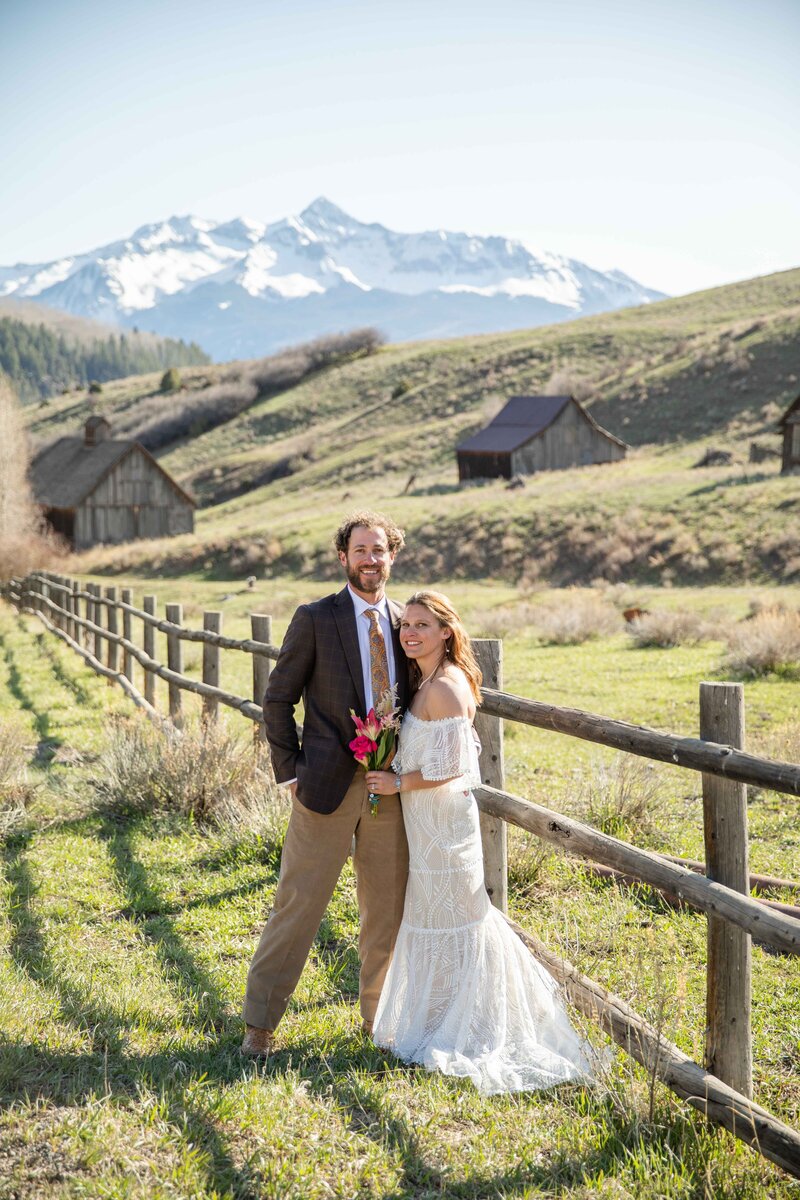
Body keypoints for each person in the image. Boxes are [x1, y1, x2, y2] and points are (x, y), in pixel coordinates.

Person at [365, 590, 599, 1094]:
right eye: (405, 624)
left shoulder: (446, 686)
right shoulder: (424, 679)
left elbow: (454, 769)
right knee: (433, 916)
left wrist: (397, 783)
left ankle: (475, 1022)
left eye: (422, 625)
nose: (410, 633)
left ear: (446, 631)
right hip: (424, 822)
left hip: (444, 824)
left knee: (459, 917)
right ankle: (438, 1016)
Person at [242, 512, 410, 1056]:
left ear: (392, 556)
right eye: (360, 550)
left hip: (388, 791)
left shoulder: (408, 623)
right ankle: (259, 1027)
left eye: (379, 549)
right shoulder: (316, 617)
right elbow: (277, 698)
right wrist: (289, 769)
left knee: (385, 910)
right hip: (323, 787)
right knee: (298, 904)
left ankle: (377, 1024)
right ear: (343, 557)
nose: (370, 559)